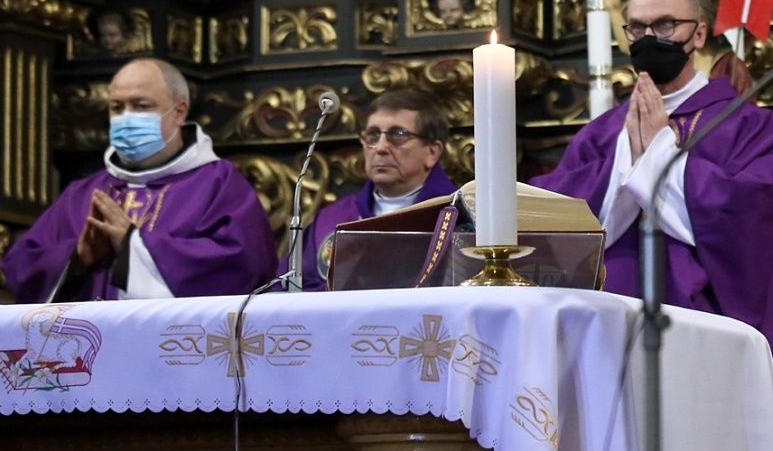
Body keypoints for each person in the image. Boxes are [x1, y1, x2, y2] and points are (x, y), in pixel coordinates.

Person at [531, 0, 773, 451]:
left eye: (664, 25)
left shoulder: (746, 125)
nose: (648, 38)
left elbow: (751, 218)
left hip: (702, 335)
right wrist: (626, 161)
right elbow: (560, 213)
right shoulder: (601, 135)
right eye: (636, 28)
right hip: (608, 339)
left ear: (698, 34)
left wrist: (660, 155)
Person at [1, 58, 278, 307]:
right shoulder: (82, 194)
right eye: (117, 108)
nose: (126, 118)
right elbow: (22, 266)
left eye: (141, 106)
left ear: (179, 112)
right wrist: (78, 258)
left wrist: (133, 244)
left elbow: (244, 266)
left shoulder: (218, 184)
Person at [291, 88, 456, 291]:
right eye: (373, 135)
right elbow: (288, 292)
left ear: (432, 152)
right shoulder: (331, 220)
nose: (381, 147)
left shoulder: (458, 218)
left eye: (398, 135)